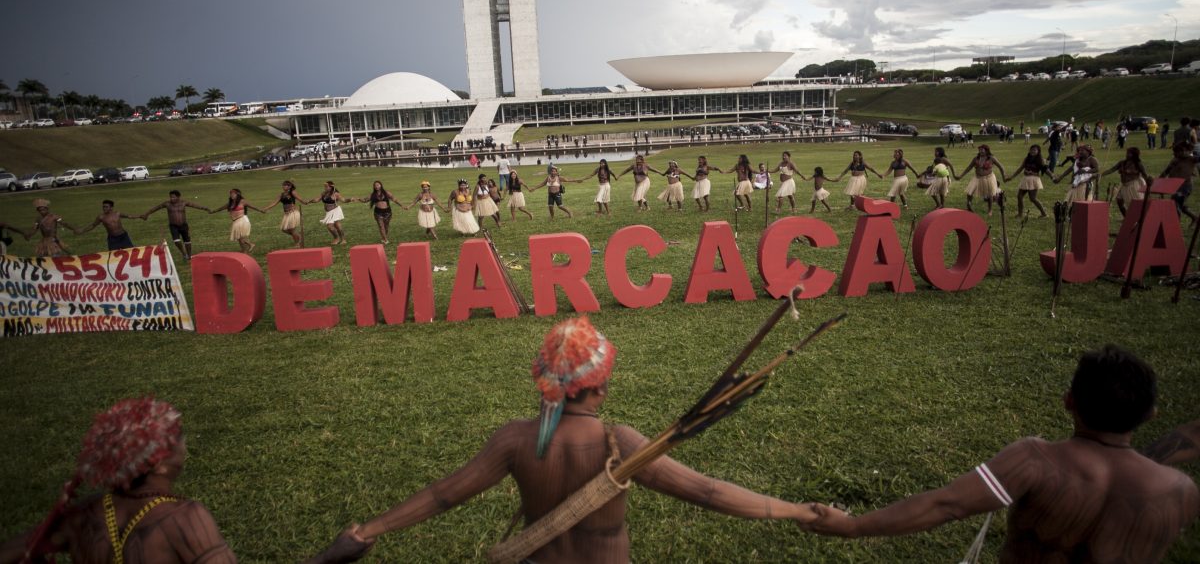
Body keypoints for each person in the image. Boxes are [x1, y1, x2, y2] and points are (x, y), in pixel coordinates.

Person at [306, 317, 817, 564]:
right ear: (602, 384)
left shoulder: (514, 441)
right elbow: (707, 492)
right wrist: (800, 512)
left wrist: (364, 533)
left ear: (545, 380)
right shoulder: (623, 443)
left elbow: (443, 495)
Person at [807, 346, 1200, 562]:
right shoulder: (1180, 492)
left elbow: (945, 505)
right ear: (1151, 414)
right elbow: (1113, 489)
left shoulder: (1035, 461)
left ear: (1068, 401)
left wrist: (852, 526)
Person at [0, 397, 236, 563]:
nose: (184, 446)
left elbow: (11, 551)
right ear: (160, 465)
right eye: (178, 441)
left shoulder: (83, 514)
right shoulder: (184, 518)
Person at [140, 190, 211, 259]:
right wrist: (146, 214)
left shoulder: (183, 203)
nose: (171, 199)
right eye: (170, 197)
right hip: (173, 226)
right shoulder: (167, 204)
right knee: (176, 241)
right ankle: (183, 253)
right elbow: (155, 208)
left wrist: (205, 208)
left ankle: (189, 256)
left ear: (178, 197)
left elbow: (195, 205)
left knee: (187, 242)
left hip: (184, 225)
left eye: (173, 197)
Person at [1100, 147, 1152, 217]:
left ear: (1133, 155)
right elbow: (1112, 169)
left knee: (1136, 204)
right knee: (1119, 201)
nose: (1127, 154)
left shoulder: (1138, 164)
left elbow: (1145, 174)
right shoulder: (1122, 162)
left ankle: (1139, 218)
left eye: (1129, 153)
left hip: (1134, 185)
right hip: (1124, 185)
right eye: (1127, 153)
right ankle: (1127, 217)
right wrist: (1101, 174)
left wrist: (1148, 186)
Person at [1002, 144, 1051, 218]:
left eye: (1035, 150)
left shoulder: (1040, 160)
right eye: (1031, 149)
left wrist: (1052, 176)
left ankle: (1044, 213)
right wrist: (1011, 177)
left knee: (1033, 198)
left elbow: (1045, 170)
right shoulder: (1027, 158)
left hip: (1034, 180)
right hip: (1025, 179)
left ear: (1038, 151)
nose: (1032, 151)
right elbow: (1020, 168)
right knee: (1019, 196)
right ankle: (1020, 214)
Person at [955, 145, 1005, 215]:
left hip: (989, 178)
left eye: (982, 150)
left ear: (986, 150)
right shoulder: (976, 159)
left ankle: (990, 210)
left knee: (990, 194)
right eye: (980, 150)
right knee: (969, 192)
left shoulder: (991, 158)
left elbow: (1001, 167)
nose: (980, 151)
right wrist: (961, 176)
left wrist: (1004, 177)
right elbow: (969, 168)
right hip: (977, 177)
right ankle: (969, 206)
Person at [209, 188, 263, 253]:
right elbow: (220, 208)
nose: (231, 195)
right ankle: (244, 249)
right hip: (235, 221)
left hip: (242, 220)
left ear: (237, 194)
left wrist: (261, 210)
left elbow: (252, 206)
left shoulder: (242, 201)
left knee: (240, 236)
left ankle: (250, 245)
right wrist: (213, 211)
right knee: (238, 237)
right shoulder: (230, 203)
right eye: (231, 194)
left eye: (233, 194)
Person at [1160, 141, 1198, 223]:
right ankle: (1194, 217)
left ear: (1187, 151)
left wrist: (1193, 152)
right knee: (1177, 203)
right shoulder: (1175, 160)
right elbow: (1166, 171)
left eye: (1177, 152)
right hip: (1175, 185)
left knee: (1175, 203)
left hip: (1185, 186)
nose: (1176, 154)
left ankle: (1175, 222)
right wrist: (1159, 181)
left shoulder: (1191, 159)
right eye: (1175, 152)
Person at [262, 180, 306, 248]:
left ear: (289, 186)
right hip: (286, 214)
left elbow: (299, 198)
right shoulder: (281, 194)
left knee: (291, 229)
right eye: (283, 185)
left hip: (293, 212)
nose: (283, 186)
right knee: (284, 229)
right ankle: (299, 236)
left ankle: (297, 243)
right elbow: (274, 203)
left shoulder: (292, 192)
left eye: (285, 185)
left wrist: (305, 202)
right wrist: (266, 208)